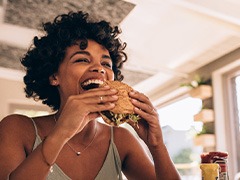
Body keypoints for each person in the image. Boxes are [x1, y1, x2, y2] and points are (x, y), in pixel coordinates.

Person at [0, 11, 181, 180]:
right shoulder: (16, 128)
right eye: (82, 59)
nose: (99, 68)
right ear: (54, 76)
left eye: (106, 63)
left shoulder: (121, 139)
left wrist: (157, 146)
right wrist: (62, 132)